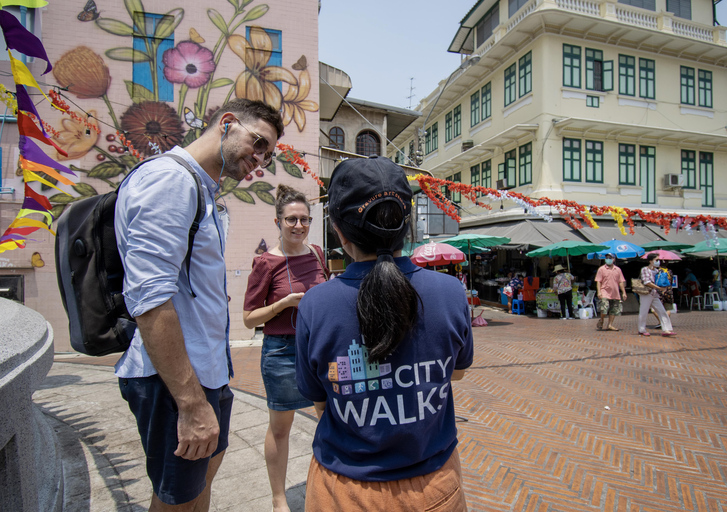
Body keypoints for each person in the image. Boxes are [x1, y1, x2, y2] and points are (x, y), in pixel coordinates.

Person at [114, 99, 283, 511]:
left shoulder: (200, 188)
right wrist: (190, 403)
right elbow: (149, 299)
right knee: (177, 503)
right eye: (258, 143)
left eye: (268, 154)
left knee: (198, 489)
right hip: (173, 381)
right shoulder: (169, 180)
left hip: (204, 373)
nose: (259, 159)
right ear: (227, 124)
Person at [295, 156, 474, 511]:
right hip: (435, 488)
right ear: (407, 227)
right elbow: (457, 371)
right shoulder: (451, 292)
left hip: (343, 491)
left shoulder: (315, 304)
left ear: (338, 230)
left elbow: (320, 400)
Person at [242, 184, 326, 512]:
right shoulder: (266, 262)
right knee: (281, 428)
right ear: (278, 221)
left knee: (330, 419)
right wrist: (284, 303)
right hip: (281, 351)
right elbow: (250, 319)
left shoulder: (317, 253)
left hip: (317, 348)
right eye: (291, 220)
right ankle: (279, 499)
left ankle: (329, 483)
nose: (298, 226)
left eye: (304, 219)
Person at [637, 253, 676, 337]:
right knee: (643, 311)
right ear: (650, 261)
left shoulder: (658, 271)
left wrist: (662, 287)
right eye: (656, 260)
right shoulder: (645, 269)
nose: (658, 262)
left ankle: (667, 329)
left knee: (662, 311)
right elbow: (646, 282)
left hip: (654, 294)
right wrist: (658, 287)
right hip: (646, 293)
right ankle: (641, 329)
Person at [595, 253, 627, 331]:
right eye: (607, 257)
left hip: (615, 292)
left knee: (614, 309)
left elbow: (621, 281)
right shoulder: (601, 269)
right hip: (605, 291)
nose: (608, 259)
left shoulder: (618, 269)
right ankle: (602, 319)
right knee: (604, 309)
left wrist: (624, 292)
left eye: (610, 257)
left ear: (614, 259)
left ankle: (610, 324)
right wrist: (599, 292)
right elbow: (598, 281)